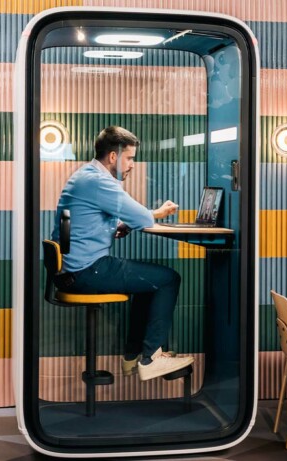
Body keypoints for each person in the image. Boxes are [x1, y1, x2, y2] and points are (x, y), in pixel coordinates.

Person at [51, 126, 194, 381]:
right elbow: (140, 217)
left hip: (74, 268)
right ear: (114, 157)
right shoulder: (99, 181)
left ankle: (133, 355)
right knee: (169, 278)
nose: (133, 165)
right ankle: (151, 359)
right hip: (86, 270)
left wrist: (116, 226)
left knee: (149, 282)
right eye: (130, 158)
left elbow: (80, 222)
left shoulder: (85, 176)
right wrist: (156, 213)